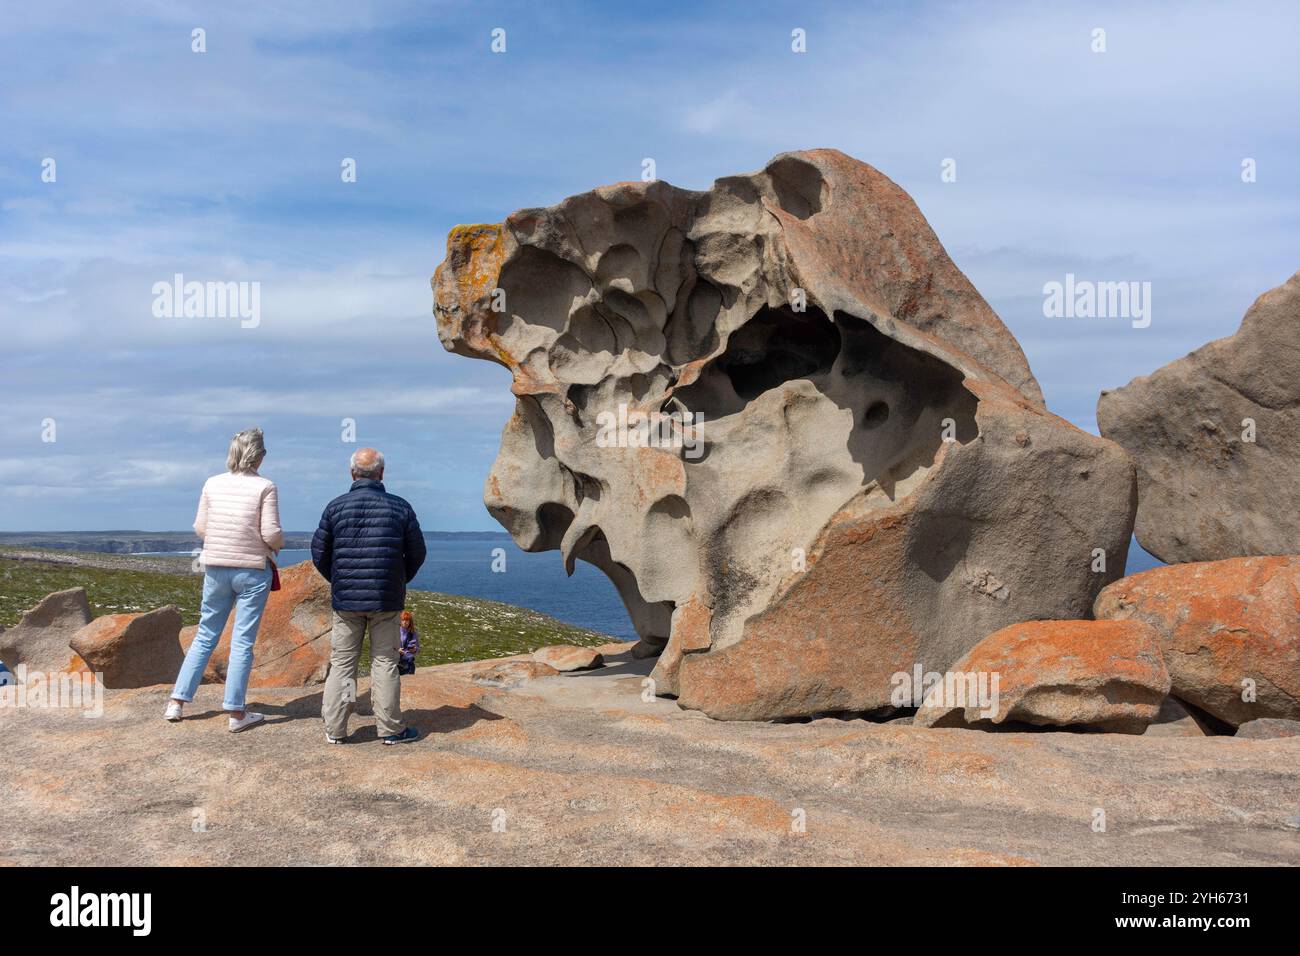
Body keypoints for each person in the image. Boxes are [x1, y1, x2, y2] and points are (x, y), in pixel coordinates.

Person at [166, 428, 283, 732]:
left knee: (206, 634)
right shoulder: (265, 486)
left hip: (216, 567)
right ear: (258, 455)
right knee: (242, 641)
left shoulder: (212, 483)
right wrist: (277, 545)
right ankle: (236, 713)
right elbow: (270, 533)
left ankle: (177, 702)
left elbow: (200, 527)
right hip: (252, 569)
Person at [312, 448, 426, 745]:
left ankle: (335, 730)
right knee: (385, 662)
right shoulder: (400, 508)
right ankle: (390, 729)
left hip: (346, 600)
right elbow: (417, 553)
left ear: (352, 474)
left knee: (343, 663)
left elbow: (319, 553)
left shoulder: (335, 507)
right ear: (382, 473)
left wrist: (339, 580)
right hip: (385, 599)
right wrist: (399, 580)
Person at [398, 611, 420, 676]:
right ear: (400, 621)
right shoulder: (396, 632)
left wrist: (415, 649)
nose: (405, 622)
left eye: (407, 620)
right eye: (403, 620)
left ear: (410, 622)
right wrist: (398, 650)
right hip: (397, 663)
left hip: (409, 663)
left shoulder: (413, 633)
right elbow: (390, 646)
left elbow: (418, 649)